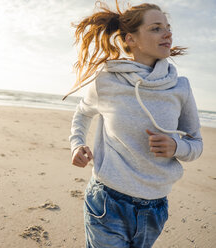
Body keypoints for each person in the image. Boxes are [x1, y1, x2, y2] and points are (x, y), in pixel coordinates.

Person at [65, 1, 203, 247]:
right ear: (131, 39)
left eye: (168, 27)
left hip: (156, 208)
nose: (168, 33)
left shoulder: (180, 87)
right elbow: (83, 113)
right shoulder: (107, 81)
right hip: (108, 201)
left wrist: (176, 147)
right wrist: (77, 144)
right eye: (156, 28)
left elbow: (196, 142)